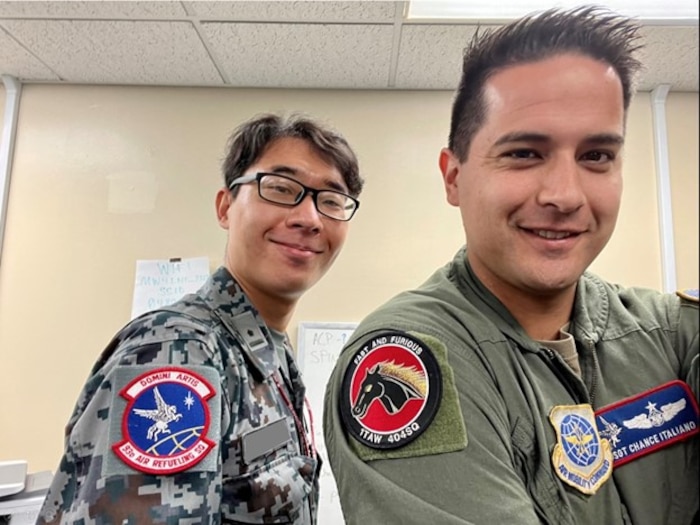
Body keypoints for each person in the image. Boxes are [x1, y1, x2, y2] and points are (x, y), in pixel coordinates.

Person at [324, 6, 698, 525]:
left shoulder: (669, 332)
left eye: (596, 156)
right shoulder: (412, 357)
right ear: (453, 177)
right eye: (524, 154)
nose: (565, 195)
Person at [38, 112, 364, 524]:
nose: (309, 218)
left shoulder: (271, 356)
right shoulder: (180, 350)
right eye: (281, 188)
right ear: (226, 207)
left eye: (331, 201)